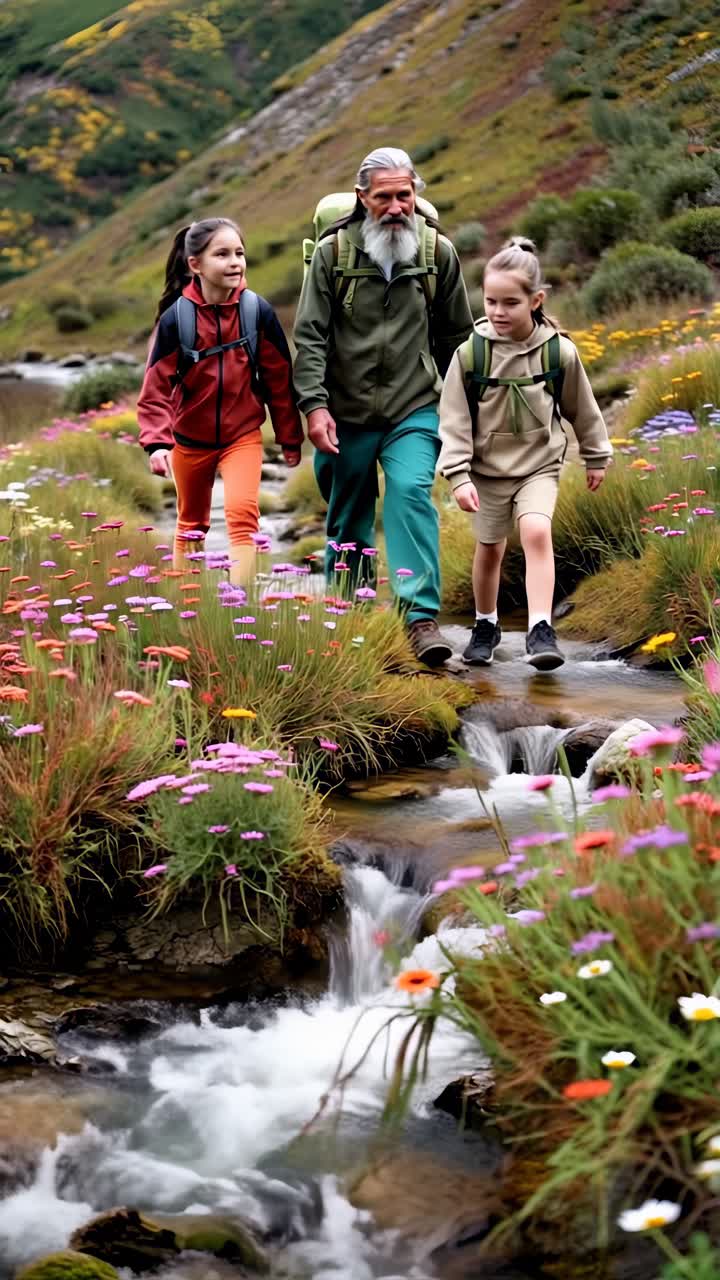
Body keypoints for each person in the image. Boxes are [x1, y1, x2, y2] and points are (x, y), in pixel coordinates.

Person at [293, 147, 473, 666]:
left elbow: (457, 341)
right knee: (347, 517)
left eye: (405, 195)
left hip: (413, 407)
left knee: (411, 492)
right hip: (342, 413)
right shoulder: (332, 256)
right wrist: (314, 407)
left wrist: (468, 416)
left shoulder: (438, 254)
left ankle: (419, 619)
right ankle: (351, 617)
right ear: (362, 199)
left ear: (415, 195)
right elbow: (309, 337)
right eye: (384, 197)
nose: (396, 207)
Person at [438, 236, 613, 670]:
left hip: (539, 466)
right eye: (491, 301)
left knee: (536, 531)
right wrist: (458, 476)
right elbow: (455, 420)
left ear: (536, 300)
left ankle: (540, 628)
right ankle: (485, 624)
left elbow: (582, 409)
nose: (498, 312)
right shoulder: (470, 355)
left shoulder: (559, 352)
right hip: (486, 471)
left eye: (510, 303)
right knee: (490, 547)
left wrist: (596, 455)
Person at [137, 217, 303, 584]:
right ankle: (188, 607)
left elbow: (279, 382)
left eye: (240, 253)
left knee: (244, 516)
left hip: (242, 434)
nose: (235, 262)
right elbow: (156, 390)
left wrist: (290, 438)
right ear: (195, 264)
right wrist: (156, 443)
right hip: (189, 439)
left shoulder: (256, 312)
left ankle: (240, 606)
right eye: (222, 254)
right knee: (191, 525)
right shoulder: (176, 319)